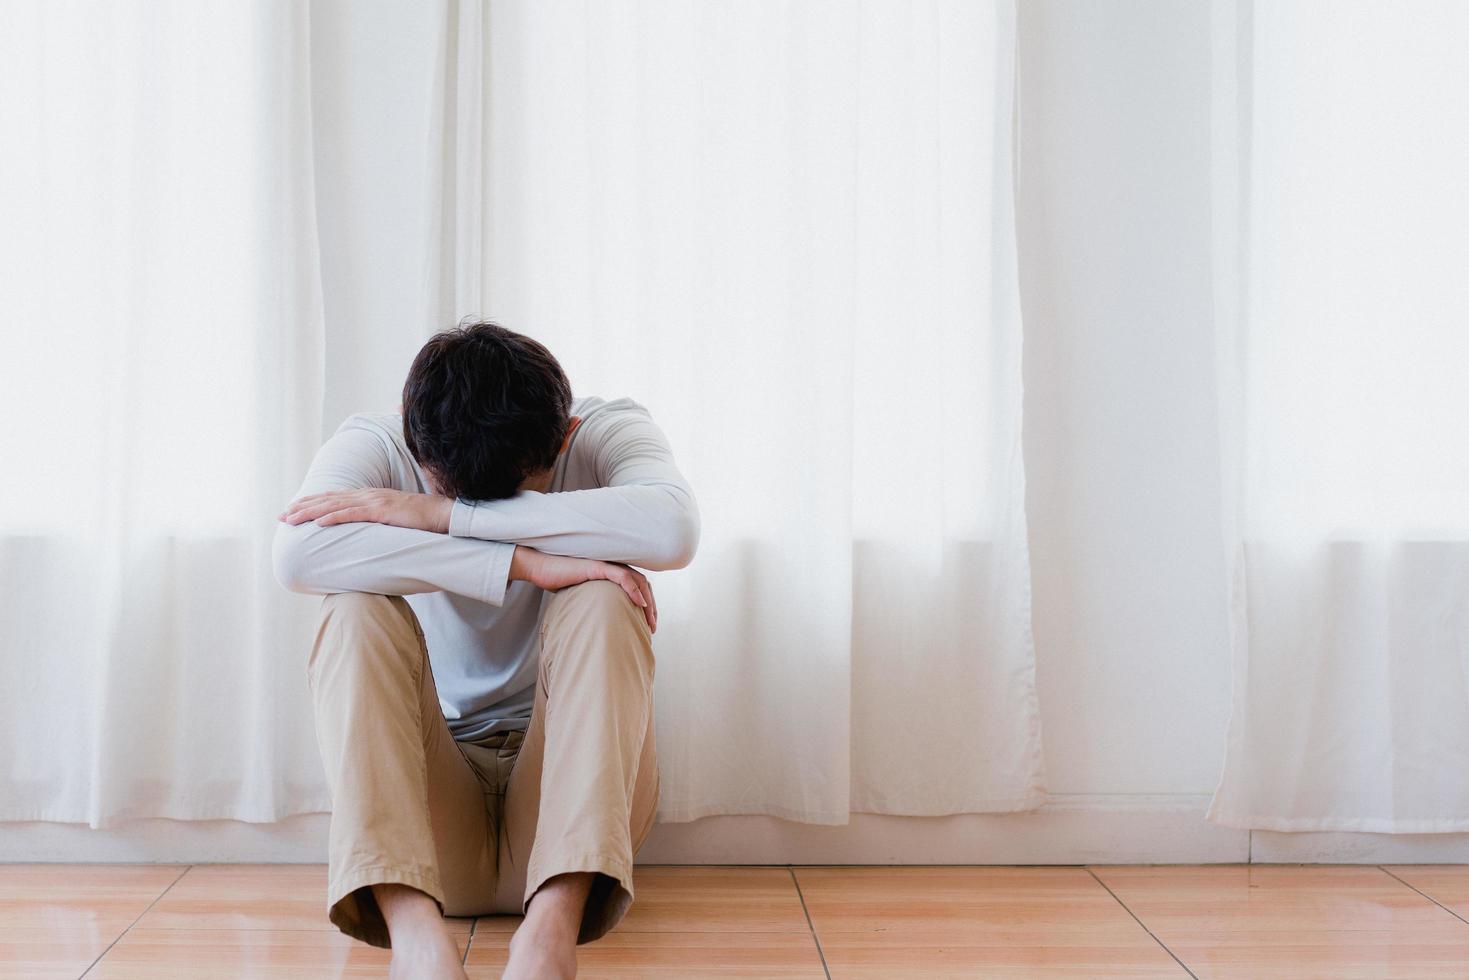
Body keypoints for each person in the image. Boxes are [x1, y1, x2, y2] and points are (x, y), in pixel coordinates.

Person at [272, 320, 699, 980]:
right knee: (351, 607)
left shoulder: (607, 429)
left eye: (516, 492)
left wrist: (446, 516)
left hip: (568, 821)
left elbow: (671, 529)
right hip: (434, 828)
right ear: (408, 436)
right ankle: (416, 939)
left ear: (565, 436)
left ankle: (548, 937)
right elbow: (298, 555)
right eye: (448, 491)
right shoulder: (376, 443)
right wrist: (526, 564)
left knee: (603, 598)